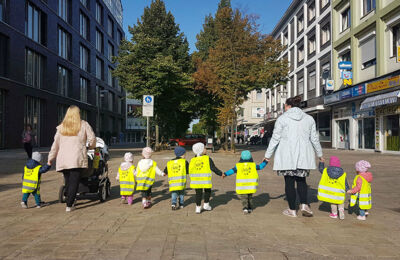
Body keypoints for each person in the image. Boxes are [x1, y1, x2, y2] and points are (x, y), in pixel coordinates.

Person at [264, 96, 323, 218]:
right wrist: (320, 154)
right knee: (302, 181)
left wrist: (267, 155)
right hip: (304, 155)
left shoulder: (282, 119)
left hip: (287, 155)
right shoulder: (309, 119)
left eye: (285, 106)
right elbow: (314, 138)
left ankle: (292, 210)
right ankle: (304, 205)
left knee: (289, 182)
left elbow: (275, 138)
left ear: (288, 106)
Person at [48, 105, 96, 212]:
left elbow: (55, 144)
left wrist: (50, 157)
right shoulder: (83, 125)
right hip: (76, 158)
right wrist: (90, 146)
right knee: (74, 181)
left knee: (68, 181)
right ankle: (69, 204)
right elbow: (92, 138)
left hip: (64, 159)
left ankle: (70, 199)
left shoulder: (61, 127)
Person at [189, 142, 223, 214]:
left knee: (198, 194)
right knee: (207, 191)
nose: (206, 149)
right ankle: (206, 205)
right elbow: (213, 168)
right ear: (201, 150)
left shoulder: (192, 160)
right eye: (204, 148)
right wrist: (220, 173)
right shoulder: (207, 159)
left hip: (196, 181)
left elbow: (190, 170)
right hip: (205, 180)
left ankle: (198, 208)